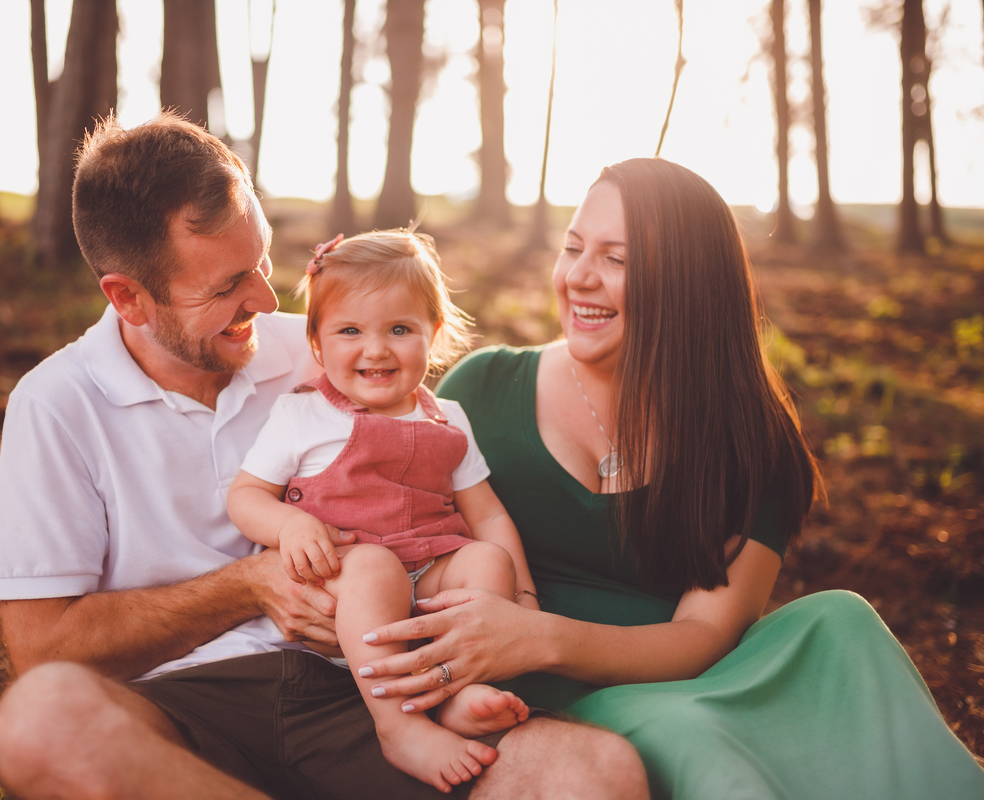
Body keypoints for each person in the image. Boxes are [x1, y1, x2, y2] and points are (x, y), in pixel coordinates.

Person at [0, 111, 650, 800]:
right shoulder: (57, 405)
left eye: (264, 263)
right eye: (226, 287)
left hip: (366, 696)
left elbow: (429, 446)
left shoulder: (326, 349)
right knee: (41, 721)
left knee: (598, 773)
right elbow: (43, 650)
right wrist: (246, 586)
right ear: (129, 298)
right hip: (185, 714)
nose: (267, 301)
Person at [347, 158, 984, 799]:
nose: (579, 278)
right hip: (520, 705)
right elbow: (387, 527)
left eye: (617, 260)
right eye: (572, 249)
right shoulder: (481, 391)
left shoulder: (753, 440)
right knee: (694, 740)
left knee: (841, 626)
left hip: (680, 679)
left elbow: (704, 635)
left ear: (687, 283)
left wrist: (539, 636)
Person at [228, 229, 539, 792]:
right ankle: (400, 727)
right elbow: (245, 496)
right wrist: (292, 524)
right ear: (317, 343)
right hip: (351, 584)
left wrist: (524, 602)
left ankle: (457, 689)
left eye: (400, 329)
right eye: (350, 331)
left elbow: (488, 515)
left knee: (488, 560)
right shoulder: (303, 415)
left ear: (433, 335)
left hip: (430, 575)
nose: (375, 349)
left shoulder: (447, 416)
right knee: (372, 564)